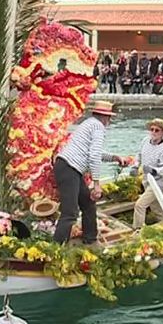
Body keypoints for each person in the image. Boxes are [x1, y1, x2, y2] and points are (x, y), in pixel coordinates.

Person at [52, 101, 129, 245]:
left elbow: (93, 152)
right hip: (70, 168)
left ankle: (90, 239)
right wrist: (97, 183)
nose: (109, 121)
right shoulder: (98, 127)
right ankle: (56, 249)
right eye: (109, 118)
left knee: (88, 203)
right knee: (70, 213)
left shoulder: (89, 124)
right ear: (106, 117)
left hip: (68, 167)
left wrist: (114, 157)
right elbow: (93, 155)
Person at [130, 119, 163, 229]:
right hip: (146, 180)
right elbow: (138, 155)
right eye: (152, 129)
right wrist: (135, 166)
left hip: (157, 183)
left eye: (157, 130)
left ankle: (137, 229)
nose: (153, 132)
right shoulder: (145, 141)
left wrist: (154, 170)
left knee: (140, 205)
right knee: (155, 207)